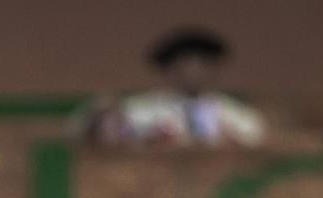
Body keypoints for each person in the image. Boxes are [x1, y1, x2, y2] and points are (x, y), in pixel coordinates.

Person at [82, 25, 266, 148]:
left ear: (214, 69)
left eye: (202, 63)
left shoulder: (235, 114)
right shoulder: (142, 110)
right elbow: (98, 133)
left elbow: (257, 141)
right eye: (185, 62)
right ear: (169, 70)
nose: (194, 70)